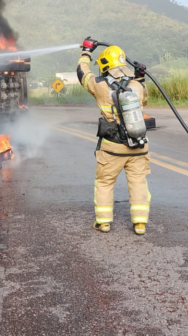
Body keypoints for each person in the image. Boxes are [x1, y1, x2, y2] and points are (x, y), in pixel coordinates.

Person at [76, 37, 151, 235]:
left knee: (104, 183)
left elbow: (82, 73)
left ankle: (103, 222)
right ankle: (140, 223)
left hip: (112, 147)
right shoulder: (138, 86)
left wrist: (86, 51)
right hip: (138, 145)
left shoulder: (99, 85)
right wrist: (140, 76)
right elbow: (145, 99)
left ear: (105, 65)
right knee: (138, 183)